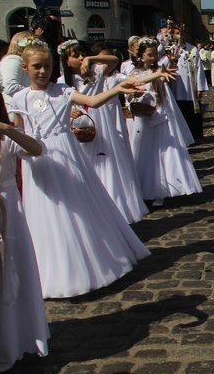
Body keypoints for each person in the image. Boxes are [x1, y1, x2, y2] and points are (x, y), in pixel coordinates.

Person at [10, 42, 149, 299]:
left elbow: (93, 102)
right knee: (43, 213)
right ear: (25, 67)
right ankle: (48, 271)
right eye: (37, 67)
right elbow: (19, 131)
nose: (42, 72)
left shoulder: (62, 91)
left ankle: (86, 263)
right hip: (36, 160)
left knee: (74, 207)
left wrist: (118, 88)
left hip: (65, 153)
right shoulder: (19, 98)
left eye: (47, 66)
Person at [0, 79, 49, 373]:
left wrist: (8, 129)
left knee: (6, 275)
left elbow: (38, 149)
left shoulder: (4, 137)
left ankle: (10, 340)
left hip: (5, 212)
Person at [58, 39, 149, 224]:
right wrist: (69, 112)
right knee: (86, 164)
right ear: (66, 61)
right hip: (79, 124)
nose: (81, 58)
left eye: (81, 53)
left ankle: (115, 207)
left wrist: (91, 58)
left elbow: (114, 60)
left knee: (105, 161)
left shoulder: (96, 72)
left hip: (100, 119)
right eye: (75, 56)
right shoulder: (62, 83)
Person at [127, 38, 202, 207]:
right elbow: (129, 92)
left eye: (154, 54)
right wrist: (134, 95)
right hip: (142, 116)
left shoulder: (160, 70)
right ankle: (144, 188)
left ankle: (160, 190)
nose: (152, 57)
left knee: (160, 151)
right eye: (149, 55)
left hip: (159, 113)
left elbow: (165, 82)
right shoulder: (134, 72)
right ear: (140, 55)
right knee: (143, 151)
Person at [0, 32, 35, 111]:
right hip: (13, 109)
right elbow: (10, 87)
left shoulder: (20, 60)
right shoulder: (13, 60)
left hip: (23, 107)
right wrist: (36, 92)